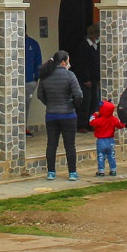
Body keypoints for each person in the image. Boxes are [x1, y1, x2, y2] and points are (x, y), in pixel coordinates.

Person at [37, 50, 83, 181]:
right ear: (63, 62)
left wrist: (49, 104)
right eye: (68, 61)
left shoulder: (45, 76)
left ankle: (51, 172)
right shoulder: (70, 75)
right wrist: (73, 105)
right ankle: (72, 172)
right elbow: (79, 95)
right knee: (70, 145)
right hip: (68, 114)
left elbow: (40, 95)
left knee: (51, 144)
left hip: (51, 114)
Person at [72, 25, 101, 131]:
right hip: (86, 80)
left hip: (94, 79)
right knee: (86, 101)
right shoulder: (83, 46)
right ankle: (82, 124)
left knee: (95, 101)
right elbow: (82, 64)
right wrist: (86, 79)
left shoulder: (96, 46)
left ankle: (91, 122)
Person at [89, 99, 124, 177]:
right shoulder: (113, 119)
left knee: (101, 156)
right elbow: (120, 125)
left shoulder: (100, 120)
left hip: (101, 141)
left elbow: (91, 122)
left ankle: (101, 171)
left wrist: (95, 114)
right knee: (111, 156)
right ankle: (113, 170)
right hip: (110, 140)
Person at [24, 34, 42, 136]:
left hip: (29, 81)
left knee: (26, 106)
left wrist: (36, 78)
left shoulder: (33, 43)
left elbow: (38, 61)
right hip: (13, 81)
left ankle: (23, 127)